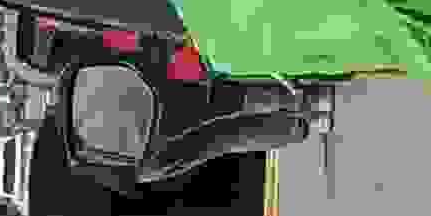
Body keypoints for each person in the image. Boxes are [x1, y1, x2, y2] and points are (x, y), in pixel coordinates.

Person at [62, 59, 322, 187]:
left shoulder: (60, 144)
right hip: (145, 100)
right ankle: (304, 103)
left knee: (222, 137)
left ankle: (301, 123)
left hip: (138, 154)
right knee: (224, 105)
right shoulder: (69, 81)